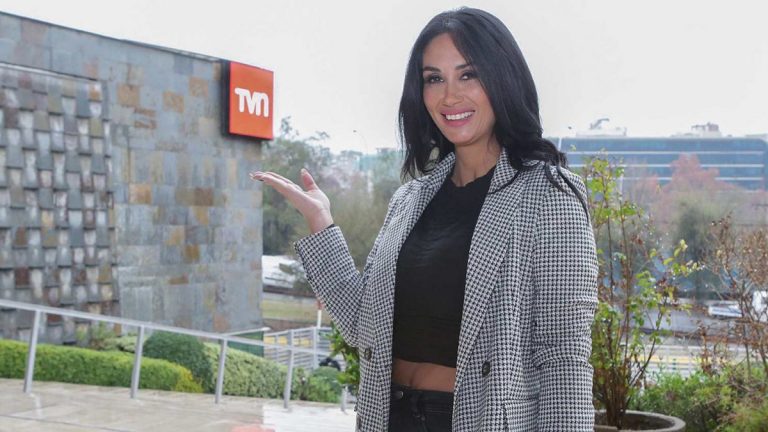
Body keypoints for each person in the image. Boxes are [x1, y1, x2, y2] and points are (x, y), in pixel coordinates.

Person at [251, 7, 598, 432]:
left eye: (468, 75)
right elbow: (363, 326)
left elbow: (564, 356)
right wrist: (321, 224)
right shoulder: (409, 201)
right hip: (388, 416)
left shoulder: (548, 195)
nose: (450, 96)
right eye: (434, 78)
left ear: (503, 78)